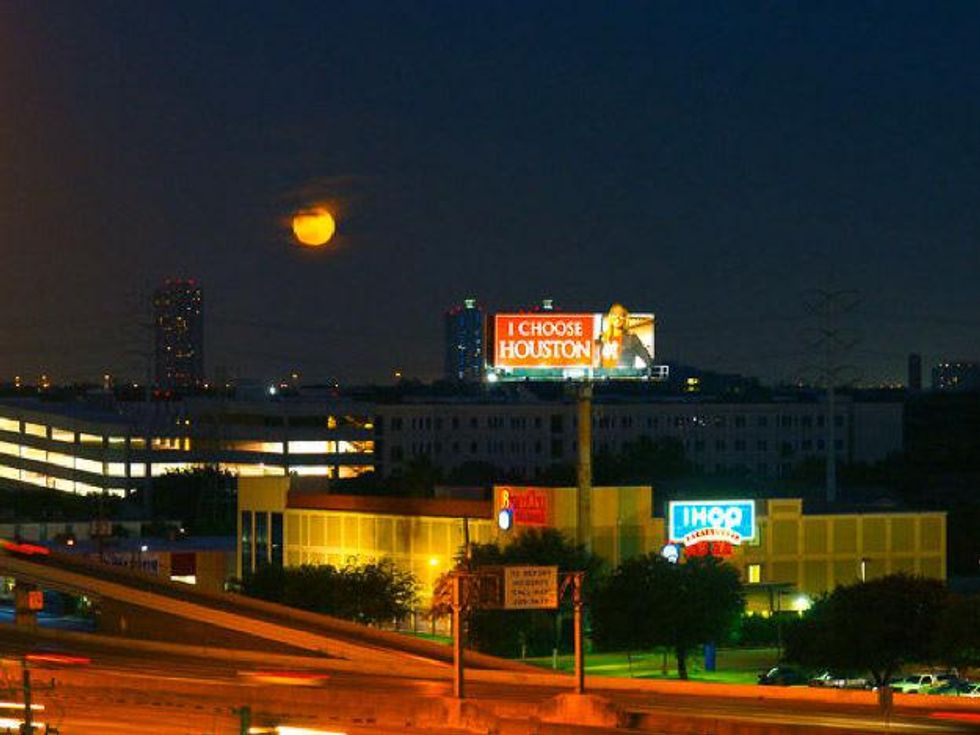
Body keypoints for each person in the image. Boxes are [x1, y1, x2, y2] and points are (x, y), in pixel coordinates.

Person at [595, 303, 653, 370]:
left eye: (621, 315)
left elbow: (648, 361)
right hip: (605, 378)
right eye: (614, 314)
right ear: (610, 317)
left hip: (623, 378)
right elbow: (597, 363)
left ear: (625, 318)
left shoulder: (631, 338)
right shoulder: (602, 337)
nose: (618, 317)